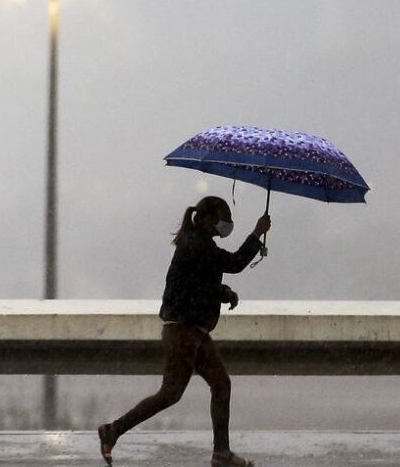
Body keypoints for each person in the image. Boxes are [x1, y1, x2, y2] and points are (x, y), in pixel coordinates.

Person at [97, 195, 271, 467]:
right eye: (223, 218)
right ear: (208, 219)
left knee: (221, 384)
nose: (226, 224)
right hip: (183, 331)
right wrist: (256, 234)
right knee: (170, 393)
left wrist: (223, 292)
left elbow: (200, 284)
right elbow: (235, 263)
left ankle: (222, 453)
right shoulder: (197, 244)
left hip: (194, 331)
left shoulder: (198, 244)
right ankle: (113, 430)